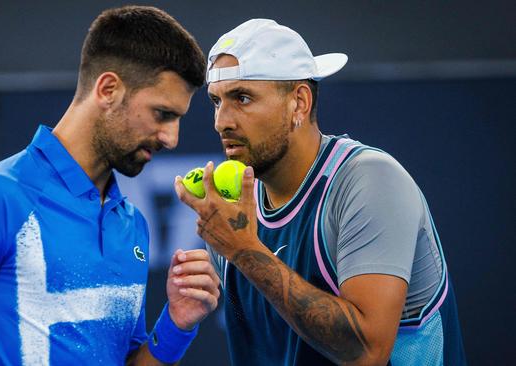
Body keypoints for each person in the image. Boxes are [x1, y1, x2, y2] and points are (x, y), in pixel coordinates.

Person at [0, 6, 220, 365]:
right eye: (163, 114)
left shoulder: (132, 225)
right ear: (108, 89)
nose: (171, 138)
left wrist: (176, 324)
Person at [174, 19, 465, 365]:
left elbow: (366, 353)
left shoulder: (370, 180)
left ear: (299, 102)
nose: (222, 121)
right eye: (216, 102)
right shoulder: (234, 209)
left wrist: (244, 250)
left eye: (242, 97)